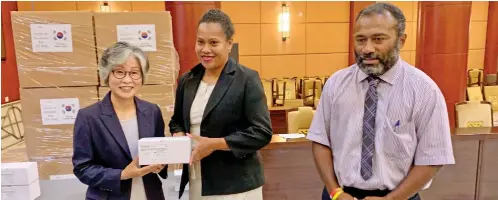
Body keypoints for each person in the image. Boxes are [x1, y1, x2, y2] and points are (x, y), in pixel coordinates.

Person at [307, 3, 455, 200]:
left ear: (401, 41)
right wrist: (335, 191)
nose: (367, 49)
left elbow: (433, 157)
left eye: (378, 39)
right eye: (361, 40)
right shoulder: (336, 84)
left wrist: (391, 199)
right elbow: (320, 141)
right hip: (339, 195)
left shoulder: (424, 90)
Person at [168, 9, 272, 200]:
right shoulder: (187, 80)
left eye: (213, 42)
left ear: (229, 44)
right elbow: (176, 121)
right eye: (200, 42)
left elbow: (261, 132)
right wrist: (179, 134)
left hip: (236, 186)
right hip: (196, 179)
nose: (205, 49)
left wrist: (215, 144)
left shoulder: (246, 79)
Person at [72, 41, 168, 200]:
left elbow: (159, 152)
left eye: (134, 73)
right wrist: (121, 175)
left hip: (150, 194)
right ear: (106, 74)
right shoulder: (88, 117)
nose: (127, 80)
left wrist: (161, 164)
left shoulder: (152, 111)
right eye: (119, 72)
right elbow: (82, 168)